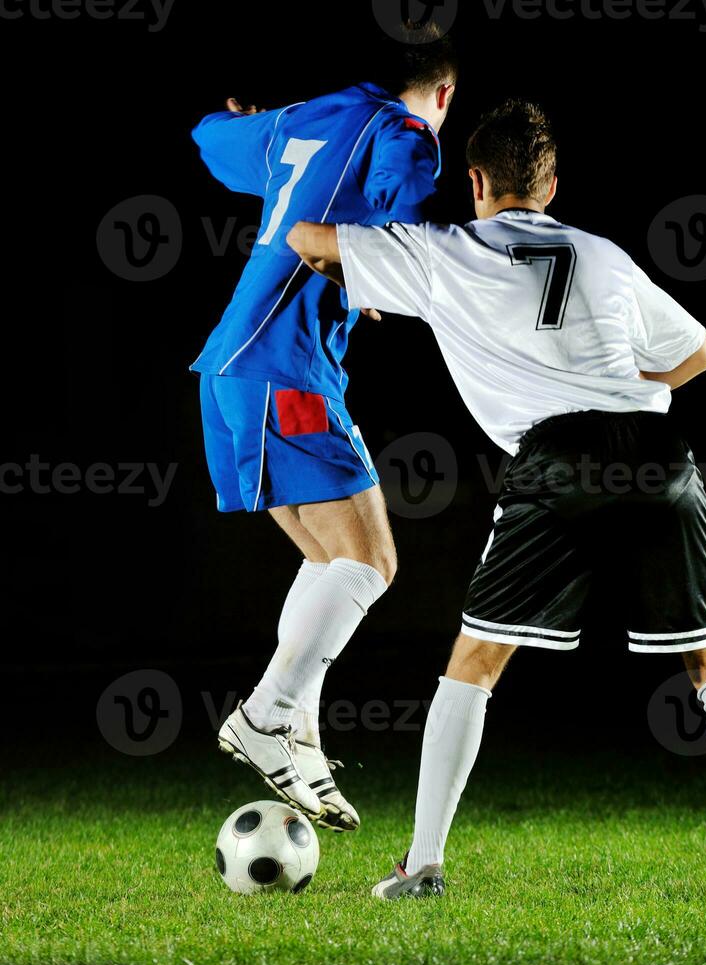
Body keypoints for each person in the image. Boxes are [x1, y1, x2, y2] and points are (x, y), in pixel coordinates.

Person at [287, 99, 706, 893]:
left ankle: (425, 865)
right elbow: (703, 352)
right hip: (657, 454)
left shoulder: (445, 250)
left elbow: (308, 239)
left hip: (558, 459)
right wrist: (623, 385)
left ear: (475, 181)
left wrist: (297, 154)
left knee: (474, 663)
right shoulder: (604, 254)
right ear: (550, 184)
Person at [189, 26, 458, 831]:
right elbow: (405, 216)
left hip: (229, 370)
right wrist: (381, 264)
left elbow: (210, 137)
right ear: (443, 94)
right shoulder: (406, 133)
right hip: (285, 365)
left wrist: (257, 121)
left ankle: (296, 730)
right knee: (372, 560)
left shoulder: (304, 117)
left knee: (326, 564)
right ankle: (266, 713)